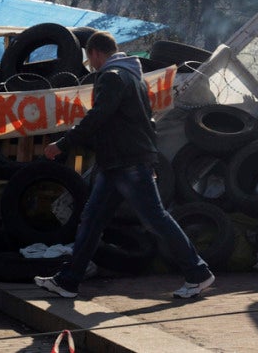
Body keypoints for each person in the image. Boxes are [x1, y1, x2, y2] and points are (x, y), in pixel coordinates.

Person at [34, 30, 214, 299]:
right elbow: (145, 122)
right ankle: (68, 280)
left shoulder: (112, 77)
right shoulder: (133, 77)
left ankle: (198, 273)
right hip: (118, 163)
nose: (90, 63)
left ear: (95, 52)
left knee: (155, 218)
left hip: (126, 162)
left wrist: (62, 144)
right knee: (92, 220)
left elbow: (97, 118)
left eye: (89, 57)